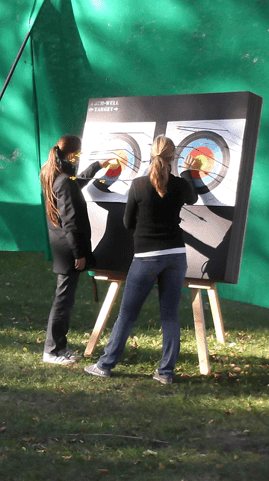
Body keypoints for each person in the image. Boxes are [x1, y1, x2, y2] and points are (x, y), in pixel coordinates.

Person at [85, 136, 199, 384]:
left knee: (127, 314)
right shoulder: (179, 185)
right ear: (173, 157)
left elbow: (128, 223)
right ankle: (166, 373)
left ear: (151, 154)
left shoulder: (137, 185)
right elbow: (192, 199)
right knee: (170, 316)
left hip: (146, 257)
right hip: (176, 256)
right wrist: (189, 172)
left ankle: (105, 365)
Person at [40, 135, 116, 365]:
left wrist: (97, 166)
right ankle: (52, 350)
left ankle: (59, 347)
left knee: (66, 299)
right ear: (72, 155)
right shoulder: (62, 181)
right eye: (79, 155)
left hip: (63, 245)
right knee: (63, 300)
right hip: (68, 249)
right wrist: (79, 253)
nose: (79, 159)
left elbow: (76, 183)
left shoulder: (56, 175)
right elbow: (70, 221)